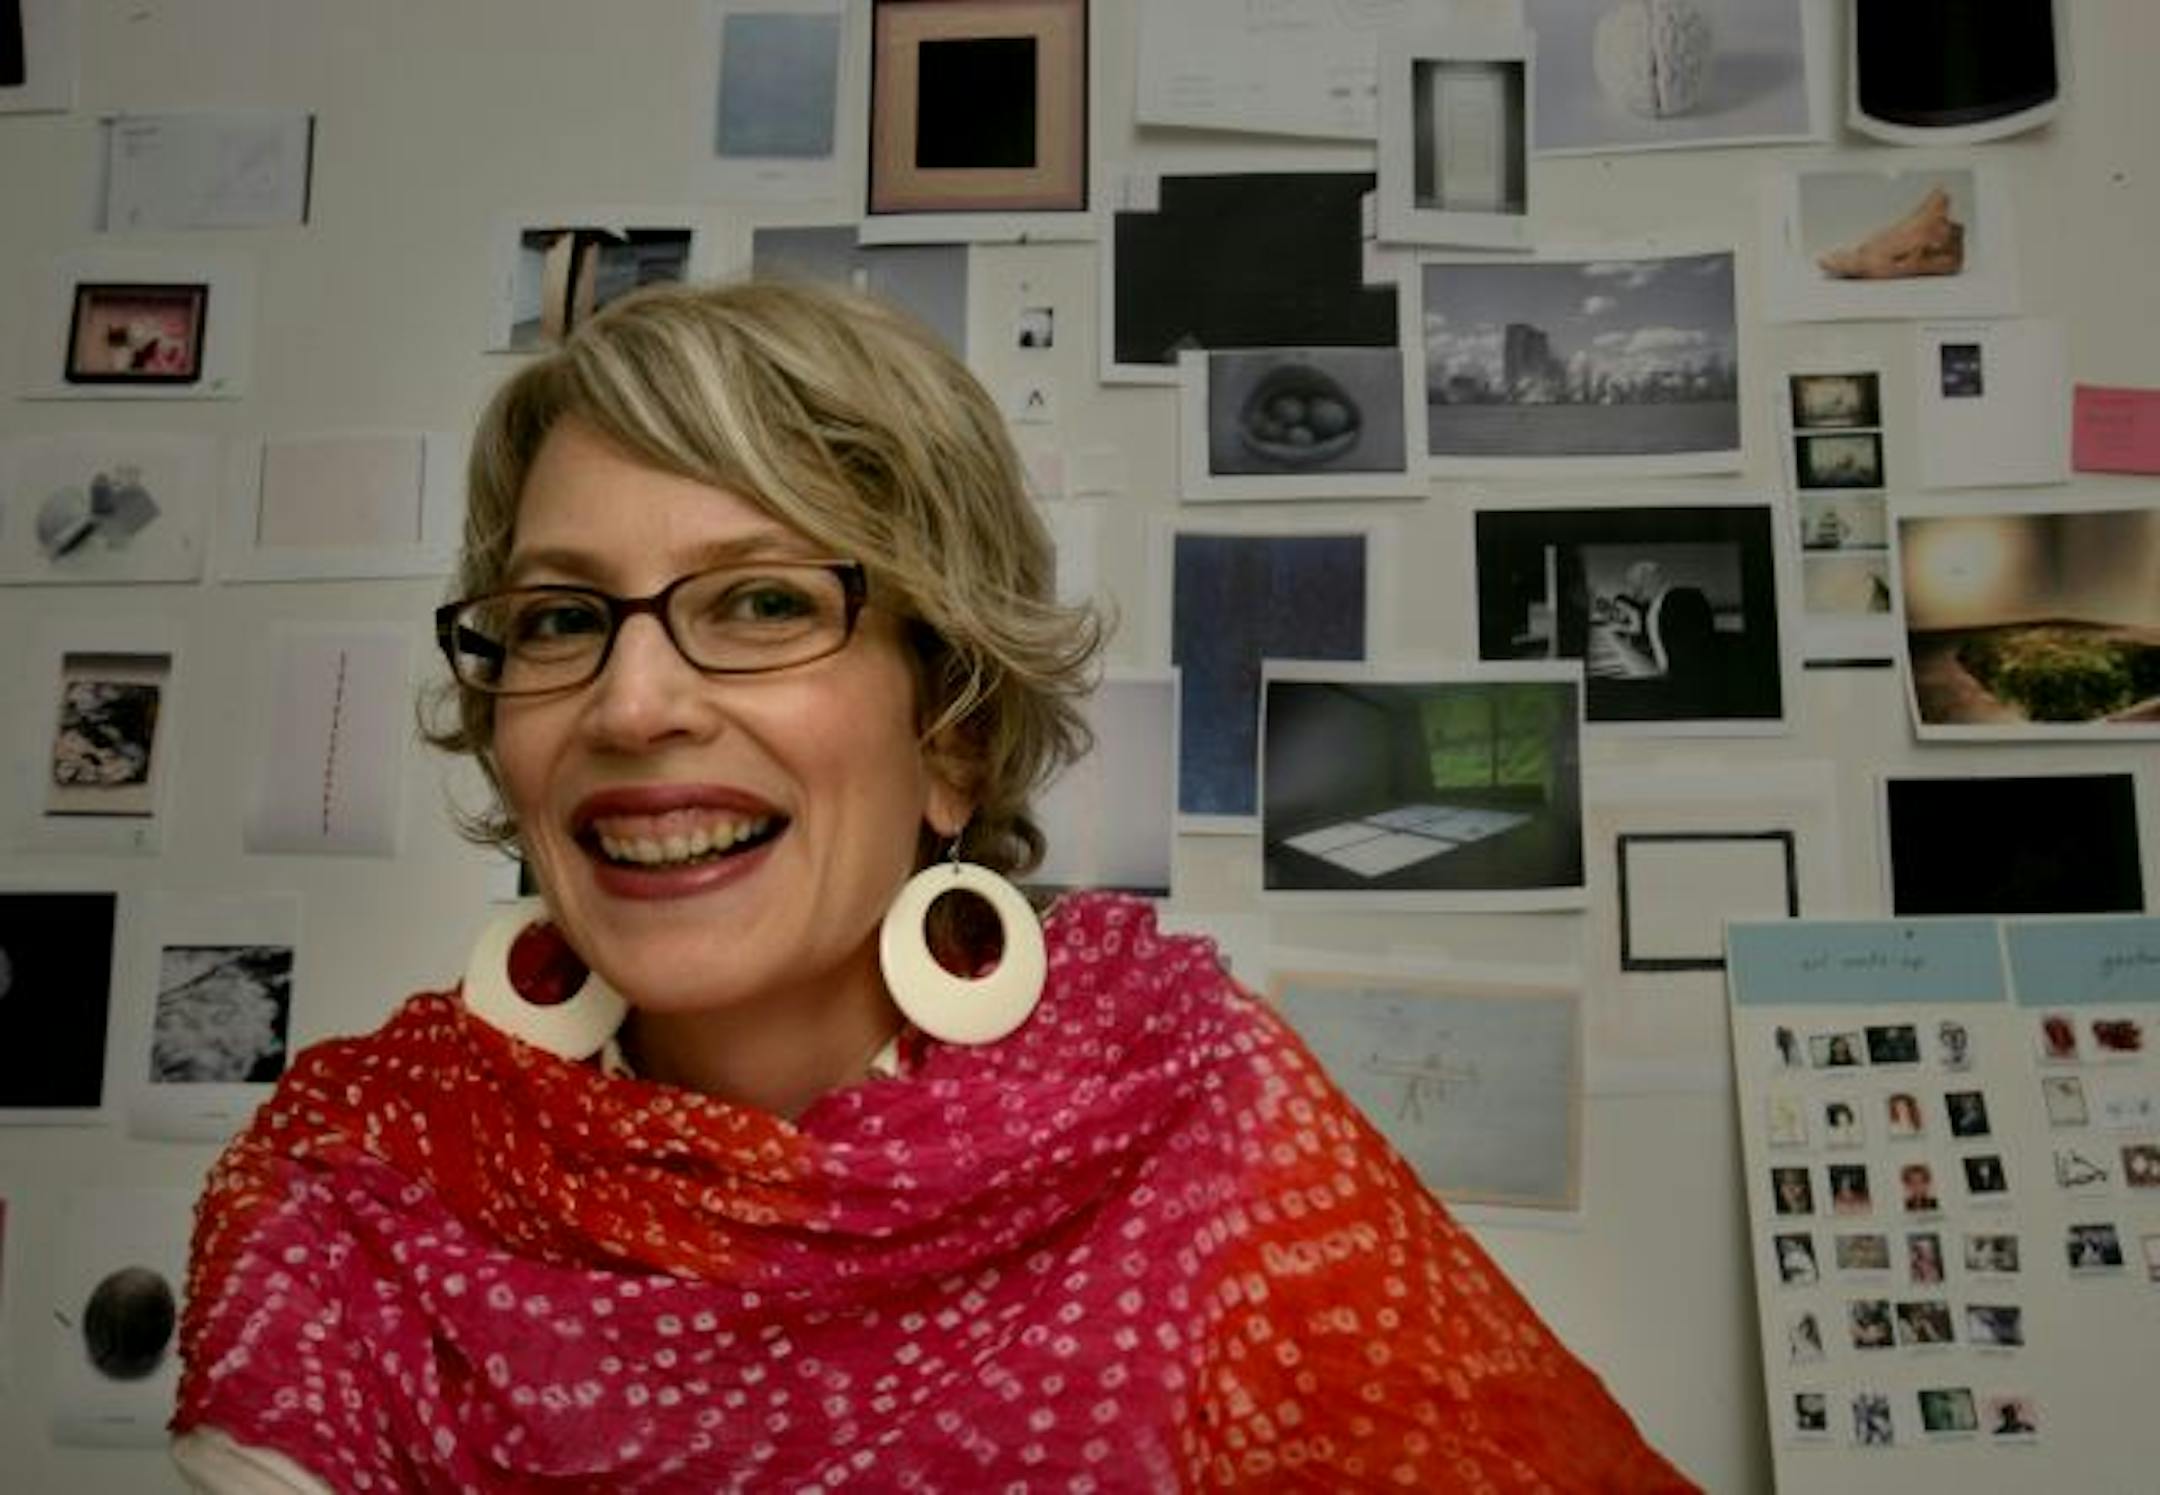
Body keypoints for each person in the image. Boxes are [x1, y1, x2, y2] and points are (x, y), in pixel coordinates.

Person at [169, 280, 1693, 1491]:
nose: (630, 706)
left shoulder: (1180, 1100)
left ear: (950, 731)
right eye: (561, 618)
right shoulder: (356, 1183)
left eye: (763, 600)